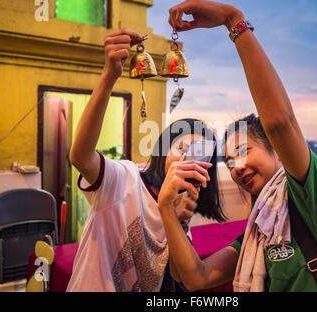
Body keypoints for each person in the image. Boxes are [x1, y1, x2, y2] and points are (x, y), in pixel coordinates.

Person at [158, 0, 317, 292]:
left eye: (243, 151)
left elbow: (279, 121)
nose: (236, 167)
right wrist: (166, 211)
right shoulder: (262, 228)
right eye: (229, 160)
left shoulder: (310, 195)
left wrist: (232, 20)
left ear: (276, 149)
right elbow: (196, 277)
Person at [66, 29, 226, 292]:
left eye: (199, 156)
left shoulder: (181, 213)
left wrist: (175, 217)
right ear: (163, 149)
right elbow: (81, 157)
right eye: (182, 148)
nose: (187, 160)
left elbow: (182, 277)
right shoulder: (124, 179)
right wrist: (109, 77)